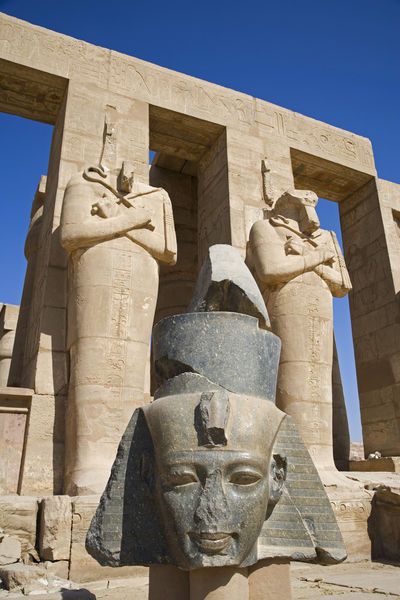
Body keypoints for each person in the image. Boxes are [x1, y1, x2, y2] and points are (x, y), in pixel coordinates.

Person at [60, 161, 176, 495]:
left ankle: (129, 462)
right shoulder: (83, 183)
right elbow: (71, 234)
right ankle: (89, 462)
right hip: (95, 266)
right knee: (93, 354)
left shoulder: (156, 195)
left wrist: (117, 220)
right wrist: (131, 220)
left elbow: (167, 249)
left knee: (132, 359)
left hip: (140, 273)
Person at [248, 189, 351, 479]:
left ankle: (324, 463)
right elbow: (271, 270)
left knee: (320, 380)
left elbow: (342, 284)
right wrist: (318, 258)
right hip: (286, 302)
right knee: (292, 376)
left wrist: (307, 256)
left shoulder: (326, 237)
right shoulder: (265, 227)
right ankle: (291, 464)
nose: (311, 219)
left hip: (321, 306)